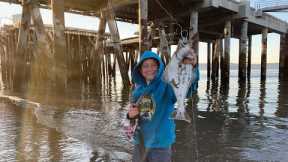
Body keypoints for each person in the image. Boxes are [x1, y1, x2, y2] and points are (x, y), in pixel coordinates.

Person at [127, 48, 197, 162]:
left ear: (159, 67)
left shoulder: (167, 85)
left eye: (153, 65)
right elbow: (134, 118)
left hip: (160, 145)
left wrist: (192, 68)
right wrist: (130, 116)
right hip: (140, 143)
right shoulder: (137, 90)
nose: (150, 69)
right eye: (145, 66)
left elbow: (186, 86)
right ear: (140, 70)